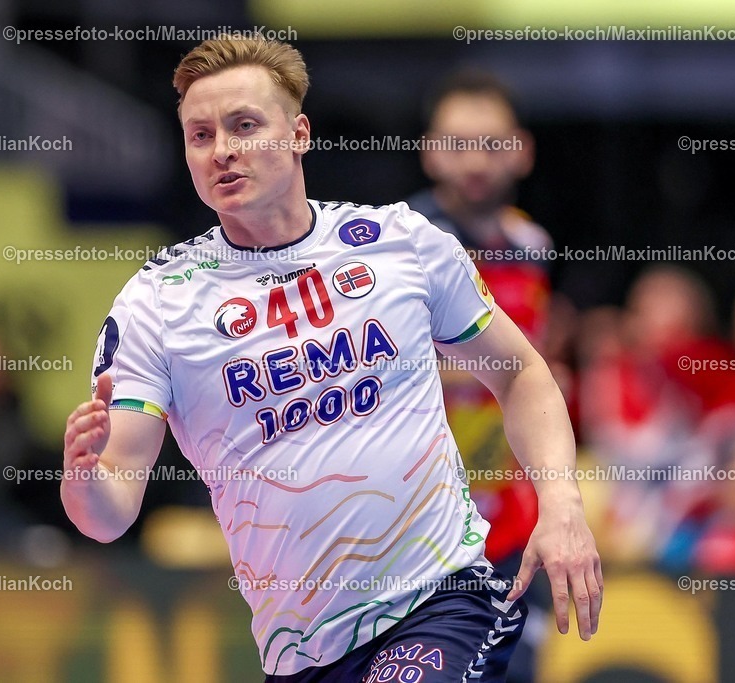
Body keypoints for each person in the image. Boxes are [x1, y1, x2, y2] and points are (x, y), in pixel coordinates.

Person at [62, 36, 601, 681]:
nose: (222, 150)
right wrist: (83, 480)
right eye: (200, 135)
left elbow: (520, 374)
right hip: (300, 653)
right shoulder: (156, 302)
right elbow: (110, 507)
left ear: (299, 134)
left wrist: (562, 504)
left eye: (244, 126)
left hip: (438, 598)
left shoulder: (401, 244)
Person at [405, 69, 554, 682]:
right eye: (457, 143)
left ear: (521, 150)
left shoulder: (532, 244)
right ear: (430, 151)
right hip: (423, 531)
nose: (474, 161)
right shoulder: (403, 246)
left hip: (514, 525)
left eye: (491, 144)